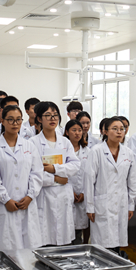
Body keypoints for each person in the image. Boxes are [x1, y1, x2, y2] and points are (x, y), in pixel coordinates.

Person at [0, 104, 43, 250]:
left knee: (28, 250)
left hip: (26, 204)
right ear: (3, 121)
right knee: (5, 249)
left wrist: (30, 196)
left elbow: (37, 173)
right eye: (10, 119)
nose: (15, 123)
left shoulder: (29, 146)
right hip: (3, 206)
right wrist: (6, 199)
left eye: (18, 120)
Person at [85, 117, 136, 252]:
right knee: (102, 246)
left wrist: (131, 205)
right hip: (101, 204)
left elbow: (132, 182)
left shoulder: (128, 153)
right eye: (115, 129)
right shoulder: (96, 151)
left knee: (117, 244)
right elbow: (89, 180)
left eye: (122, 129)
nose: (119, 132)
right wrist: (89, 206)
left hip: (121, 203)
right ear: (105, 131)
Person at [32, 101, 81, 246]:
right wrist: (57, 179)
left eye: (55, 115)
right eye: (48, 115)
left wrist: (54, 169)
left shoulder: (65, 142)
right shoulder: (33, 143)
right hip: (44, 195)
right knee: (44, 240)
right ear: (39, 119)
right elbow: (34, 172)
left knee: (63, 242)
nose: (52, 118)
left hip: (63, 195)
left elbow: (75, 165)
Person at [64, 120, 90, 245]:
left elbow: (90, 174)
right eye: (74, 130)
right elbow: (61, 172)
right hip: (67, 192)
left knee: (79, 230)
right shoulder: (62, 150)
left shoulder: (88, 151)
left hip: (82, 195)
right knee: (66, 229)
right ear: (67, 132)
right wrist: (70, 192)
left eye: (79, 130)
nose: (77, 133)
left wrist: (84, 192)